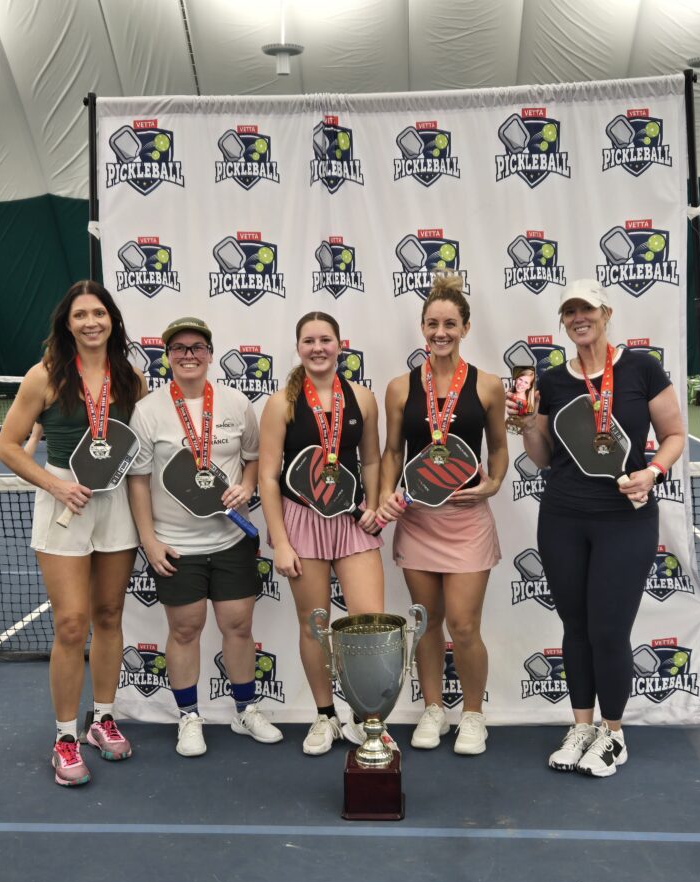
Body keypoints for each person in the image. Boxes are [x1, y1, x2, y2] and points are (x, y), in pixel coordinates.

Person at [511, 279, 685, 777]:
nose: (578, 318)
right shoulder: (551, 381)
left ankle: (613, 734)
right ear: (563, 321)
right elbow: (543, 458)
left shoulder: (641, 368)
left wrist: (653, 472)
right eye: (569, 311)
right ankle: (582, 727)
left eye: (586, 309)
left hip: (624, 520)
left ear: (606, 313)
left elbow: (674, 434)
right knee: (576, 627)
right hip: (562, 517)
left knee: (608, 629)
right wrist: (527, 424)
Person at [0, 280, 146, 786]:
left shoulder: (131, 378)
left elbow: (139, 446)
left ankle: (102, 719)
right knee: (70, 623)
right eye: (80, 314)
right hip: (64, 498)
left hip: (116, 504)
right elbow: (8, 446)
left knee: (109, 615)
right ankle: (64, 737)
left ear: (112, 320)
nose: (90, 322)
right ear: (67, 323)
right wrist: (56, 486)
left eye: (98, 313)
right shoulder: (44, 375)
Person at [127, 316, 283, 757]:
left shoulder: (236, 403)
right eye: (179, 348)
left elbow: (253, 458)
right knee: (184, 630)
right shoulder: (148, 410)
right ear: (168, 357)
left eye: (197, 347)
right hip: (176, 546)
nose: (189, 355)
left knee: (238, 626)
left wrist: (247, 487)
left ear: (210, 355)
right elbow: (138, 480)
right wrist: (149, 541)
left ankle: (245, 710)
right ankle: (189, 717)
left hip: (231, 541)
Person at [377, 274, 508, 755]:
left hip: (467, 521)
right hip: (418, 521)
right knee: (427, 622)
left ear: (465, 328)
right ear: (422, 327)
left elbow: (499, 448)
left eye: (450, 324)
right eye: (432, 323)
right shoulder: (399, 388)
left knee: (464, 626)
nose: (440, 332)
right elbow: (393, 451)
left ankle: (473, 715)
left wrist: (493, 484)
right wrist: (386, 494)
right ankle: (433, 709)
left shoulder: (488, 385)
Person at [258, 311, 386, 755]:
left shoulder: (363, 398)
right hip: (301, 521)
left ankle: (367, 716)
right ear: (298, 347)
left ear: (339, 345)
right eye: (309, 341)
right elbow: (268, 477)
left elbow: (372, 460)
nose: (318, 348)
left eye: (325, 339)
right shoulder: (281, 403)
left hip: (351, 519)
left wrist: (374, 505)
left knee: (368, 623)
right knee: (315, 624)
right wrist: (280, 541)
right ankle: (325, 715)